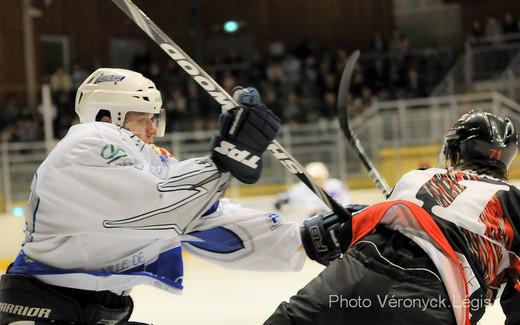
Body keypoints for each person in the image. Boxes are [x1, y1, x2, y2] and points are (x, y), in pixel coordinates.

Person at [0, 68, 306, 325]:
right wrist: (225, 157)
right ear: (107, 118)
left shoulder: (142, 161)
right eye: (141, 119)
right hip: (42, 313)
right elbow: (162, 209)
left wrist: (305, 238)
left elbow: (206, 217)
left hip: (79, 312)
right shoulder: (86, 145)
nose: (152, 130)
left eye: (154, 119)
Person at [265, 110, 520, 325]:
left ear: (455, 151)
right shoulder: (511, 201)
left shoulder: (417, 177)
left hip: (357, 271)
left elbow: (360, 229)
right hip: (435, 300)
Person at [274, 162, 351, 220]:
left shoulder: (336, 185)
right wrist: (282, 200)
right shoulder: (301, 188)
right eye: (313, 178)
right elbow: (285, 198)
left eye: (319, 178)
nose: (316, 181)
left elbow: (347, 201)